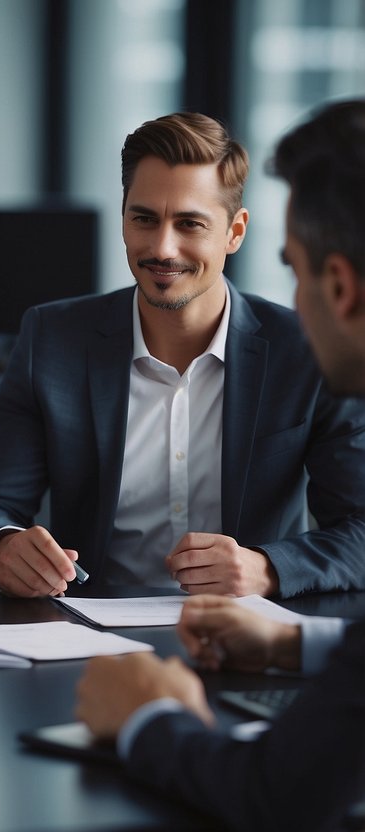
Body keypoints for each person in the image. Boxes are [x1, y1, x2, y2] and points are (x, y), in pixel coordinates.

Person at [73, 97, 365, 832]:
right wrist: (293, 641)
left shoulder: (292, 355)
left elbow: (276, 794)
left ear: (340, 287)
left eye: (292, 270)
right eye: (143, 218)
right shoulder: (57, 337)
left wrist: (144, 718)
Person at [0, 111, 365, 599]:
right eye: (144, 218)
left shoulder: (306, 347)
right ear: (123, 217)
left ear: (235, 231)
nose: (163, 248)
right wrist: (2, 550)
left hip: (248, 641)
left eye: (189, 223)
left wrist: (267, 569)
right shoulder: (52, 339)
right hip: (89, 646)